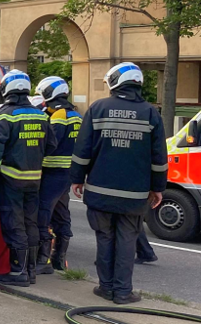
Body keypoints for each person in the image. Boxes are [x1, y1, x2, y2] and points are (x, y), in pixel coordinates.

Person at [70, 62, 167, 304]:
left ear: (115, 81)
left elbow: (82, 150)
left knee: (104, 238)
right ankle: (123, 292)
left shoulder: (98, 108)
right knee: (127, 240)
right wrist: (158, 188)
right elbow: (159, 158)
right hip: (134, 195)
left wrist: (77, 178)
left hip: (100, 191)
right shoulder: (150, 112)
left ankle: (105, 287)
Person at [0, 70, 57, 287]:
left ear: (6, 88)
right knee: (30, 222)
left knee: (13, 222)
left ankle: (18, 272)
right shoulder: (41, 115)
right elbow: (52, 146)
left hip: (10, 178)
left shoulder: (5, 115)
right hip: (35, 178)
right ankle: (31, 270)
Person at [33, 76, 81, 275]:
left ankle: (42, 261)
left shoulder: (59, 116)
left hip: (52, 172)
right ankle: (59, 260)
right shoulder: (75, 114)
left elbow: (50, 143)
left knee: (43, 214)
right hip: (67, 173)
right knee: (62, 215)